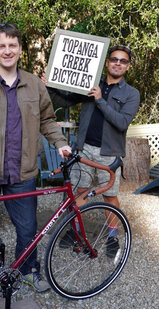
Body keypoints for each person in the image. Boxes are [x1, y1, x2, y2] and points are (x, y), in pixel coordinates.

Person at [0, 23, 71, 292]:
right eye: (2, 46)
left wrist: (60, 143)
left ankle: (27, 271)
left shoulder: (34, 85)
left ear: (20, 49)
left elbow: (48, 120)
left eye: (12, 45)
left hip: (23, 172)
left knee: (28, 229)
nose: (7, 51)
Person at [43, 45, 140, 257]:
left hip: (109, 152)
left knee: (110, 196)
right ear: (107, 63)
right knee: (80, 191)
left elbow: (122, 122)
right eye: (114, 59)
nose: (117, 63)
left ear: (127, 66)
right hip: (83, 148)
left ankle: (112, 235)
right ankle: (76, 231)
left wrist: (100, 100)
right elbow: (66, 100)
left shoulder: (131, 93)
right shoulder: (91, 83)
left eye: (123, 61)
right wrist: (50, 87)